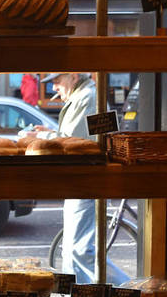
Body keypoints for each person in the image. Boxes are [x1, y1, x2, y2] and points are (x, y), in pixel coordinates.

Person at [31, 73, 129, 285]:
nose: (54, 87)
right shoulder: (86, 96)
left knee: (79, 250)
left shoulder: (87, 97)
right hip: (81, 180)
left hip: (87, 179)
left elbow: (71, 141)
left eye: (57, 81)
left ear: (73, 77)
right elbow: (81, 137)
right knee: (75, 249)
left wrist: (43, 137)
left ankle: (132, 293)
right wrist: (51, 132)